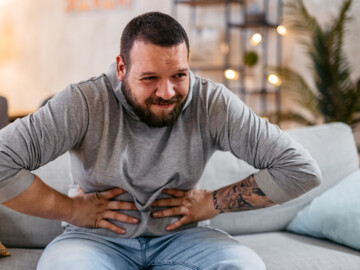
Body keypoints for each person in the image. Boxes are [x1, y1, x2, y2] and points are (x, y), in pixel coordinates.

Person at [0, 12, 321, 269]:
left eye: (179, 75)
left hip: (182, 240)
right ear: (122, 68)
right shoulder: (83, 101)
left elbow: (301, 170)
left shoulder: (212, 102)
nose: (167, 92)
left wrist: (213, 202)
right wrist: (70, 209)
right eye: (150, 78)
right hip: (92, 242)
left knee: (244, 265)